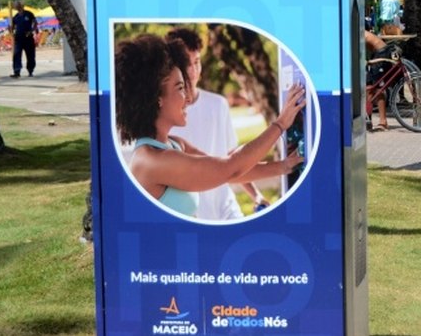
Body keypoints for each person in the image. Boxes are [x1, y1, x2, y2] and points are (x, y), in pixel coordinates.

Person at [114, 34, 305, 216]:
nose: (188, 98)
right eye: (180, 88)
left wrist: (284, 166)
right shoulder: (151, 161)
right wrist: (280, 124)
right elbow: (230, 167)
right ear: (157, 98)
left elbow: (228, 172)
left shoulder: (174, 144)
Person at [166, 28, 262, 220]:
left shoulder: (218, 104)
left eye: (197, 61)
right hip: (189, 213)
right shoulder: (165, 115)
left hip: (226, 207)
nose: (193, 71)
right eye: (187, 63)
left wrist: (256, 194)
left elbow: (232, 158)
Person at [364, 28, 392, 131]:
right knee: (369, 87)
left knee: (378, 87)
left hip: (381, 52)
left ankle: (383, 121)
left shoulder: (355, 32)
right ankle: (368, 120)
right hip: (377, 53)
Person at [9, 0, 39, 78]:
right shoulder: (15, 17)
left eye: (16, 6)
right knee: (16, 54)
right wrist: (10, 29)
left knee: (30, 55)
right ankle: (17, 71)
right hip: (18, 38)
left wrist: (32, 30)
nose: (16, 7)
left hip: (28, 37)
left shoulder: (29, 14)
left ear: (21, 6)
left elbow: (35, 23)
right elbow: (12, 27)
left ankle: (30, 70)